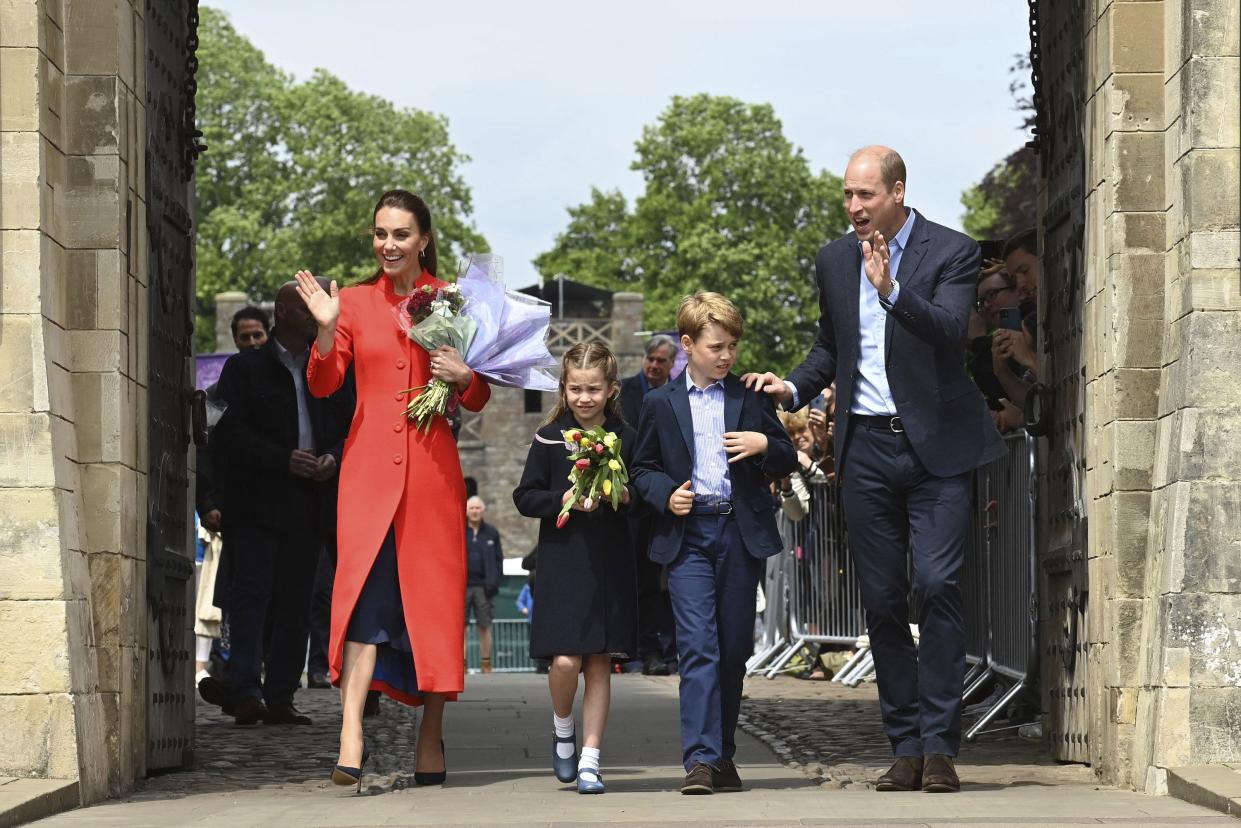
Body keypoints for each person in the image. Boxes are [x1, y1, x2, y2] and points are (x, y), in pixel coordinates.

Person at [747, 146, 1004, 794]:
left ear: (896, 191)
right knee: (883, 599)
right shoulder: (833, 261)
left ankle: (941, 744)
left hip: (937, 449)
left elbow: (950, 329)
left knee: (939, 583)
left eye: (865, 195)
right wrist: (790, 387)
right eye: (847, 196)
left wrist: (891, 290)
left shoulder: (951, 251)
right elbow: (829, 349)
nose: (854, 208)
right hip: (863, 451)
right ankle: (906, 743)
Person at [295, 189, 491, 789]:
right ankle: (350, 734)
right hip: (368, 476)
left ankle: (429, 737)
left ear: (423, 239)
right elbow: (325, 383)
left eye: (401, 234)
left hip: (433, 479)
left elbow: (480, 394)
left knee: (431, 608)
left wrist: (466, 377)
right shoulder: (350, 302)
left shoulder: (455, 302)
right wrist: (327, 332)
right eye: (380, 233)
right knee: (362, 603)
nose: (388, 245)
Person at [631, 292, 796, 795]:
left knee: (732, 650)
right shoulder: (661, 403)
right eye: (716, 346)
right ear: (688, 345)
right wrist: (666, 496)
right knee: (699, 648)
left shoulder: (749, 398)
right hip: (689, 536)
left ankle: (722, 753)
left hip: (738, 534)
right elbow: (642, 469)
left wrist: (765, 444)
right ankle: (699, 759)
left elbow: (787, 456)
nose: (726, 356)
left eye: (732, 347)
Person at [211, 284, 352, 727]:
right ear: (284, 313)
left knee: (296, 599)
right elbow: (228, 432)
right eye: (306, 308)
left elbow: (349, 423)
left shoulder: (329, 367)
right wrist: (280, 458)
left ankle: (281, 695)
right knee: (251, 595)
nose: (316, 315)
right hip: (257, 502)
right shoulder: (244, 367)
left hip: (308, 501)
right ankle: (247, 689)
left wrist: (333, 454)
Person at [513, 341, 640, 795]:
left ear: (611, 389)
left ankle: (591, 759)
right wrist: (566, 499)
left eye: (593, 389)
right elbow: (524, 496)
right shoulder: (549, 438)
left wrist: (625, 496)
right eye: (575, 389)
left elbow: (642, 490)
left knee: (601, 663)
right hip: (563, 562)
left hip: (609, 562)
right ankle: (562, 725)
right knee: (566, 661)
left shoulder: (626, 436)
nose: (584, 398)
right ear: (563, 391)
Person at [195, 305, 270, 711]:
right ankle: (237, 682)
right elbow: (210, 452)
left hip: (275, 510)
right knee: (236, 600)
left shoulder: (281, 381)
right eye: (246, 337)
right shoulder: (223, 391)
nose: (253, 343)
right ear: (235, 340)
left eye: (259, 335)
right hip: (237, 513)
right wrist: (208, 502)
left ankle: (253, 684)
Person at [619, 335, 681, 676]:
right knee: (642, 580)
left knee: (672, 580)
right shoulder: (624, 391)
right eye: (651, 359)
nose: (655, 365)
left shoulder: (679, 394)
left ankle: (673, 649)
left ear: (672, 364)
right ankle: (649, 650)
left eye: (662, 361)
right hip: (635, 501)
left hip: (669, 497)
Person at [465, 496, 504, 674]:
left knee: (485, 625)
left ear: (483, 510)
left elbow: (498, 559)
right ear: (466, 510)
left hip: (484, 587)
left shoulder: (491, 533)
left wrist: (494, 581)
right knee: (460, 628)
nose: (474, 511)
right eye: (471, 508)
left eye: (477, 508)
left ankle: (486, 664)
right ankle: (461, 665)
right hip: (462, 587)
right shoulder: (459, 530)